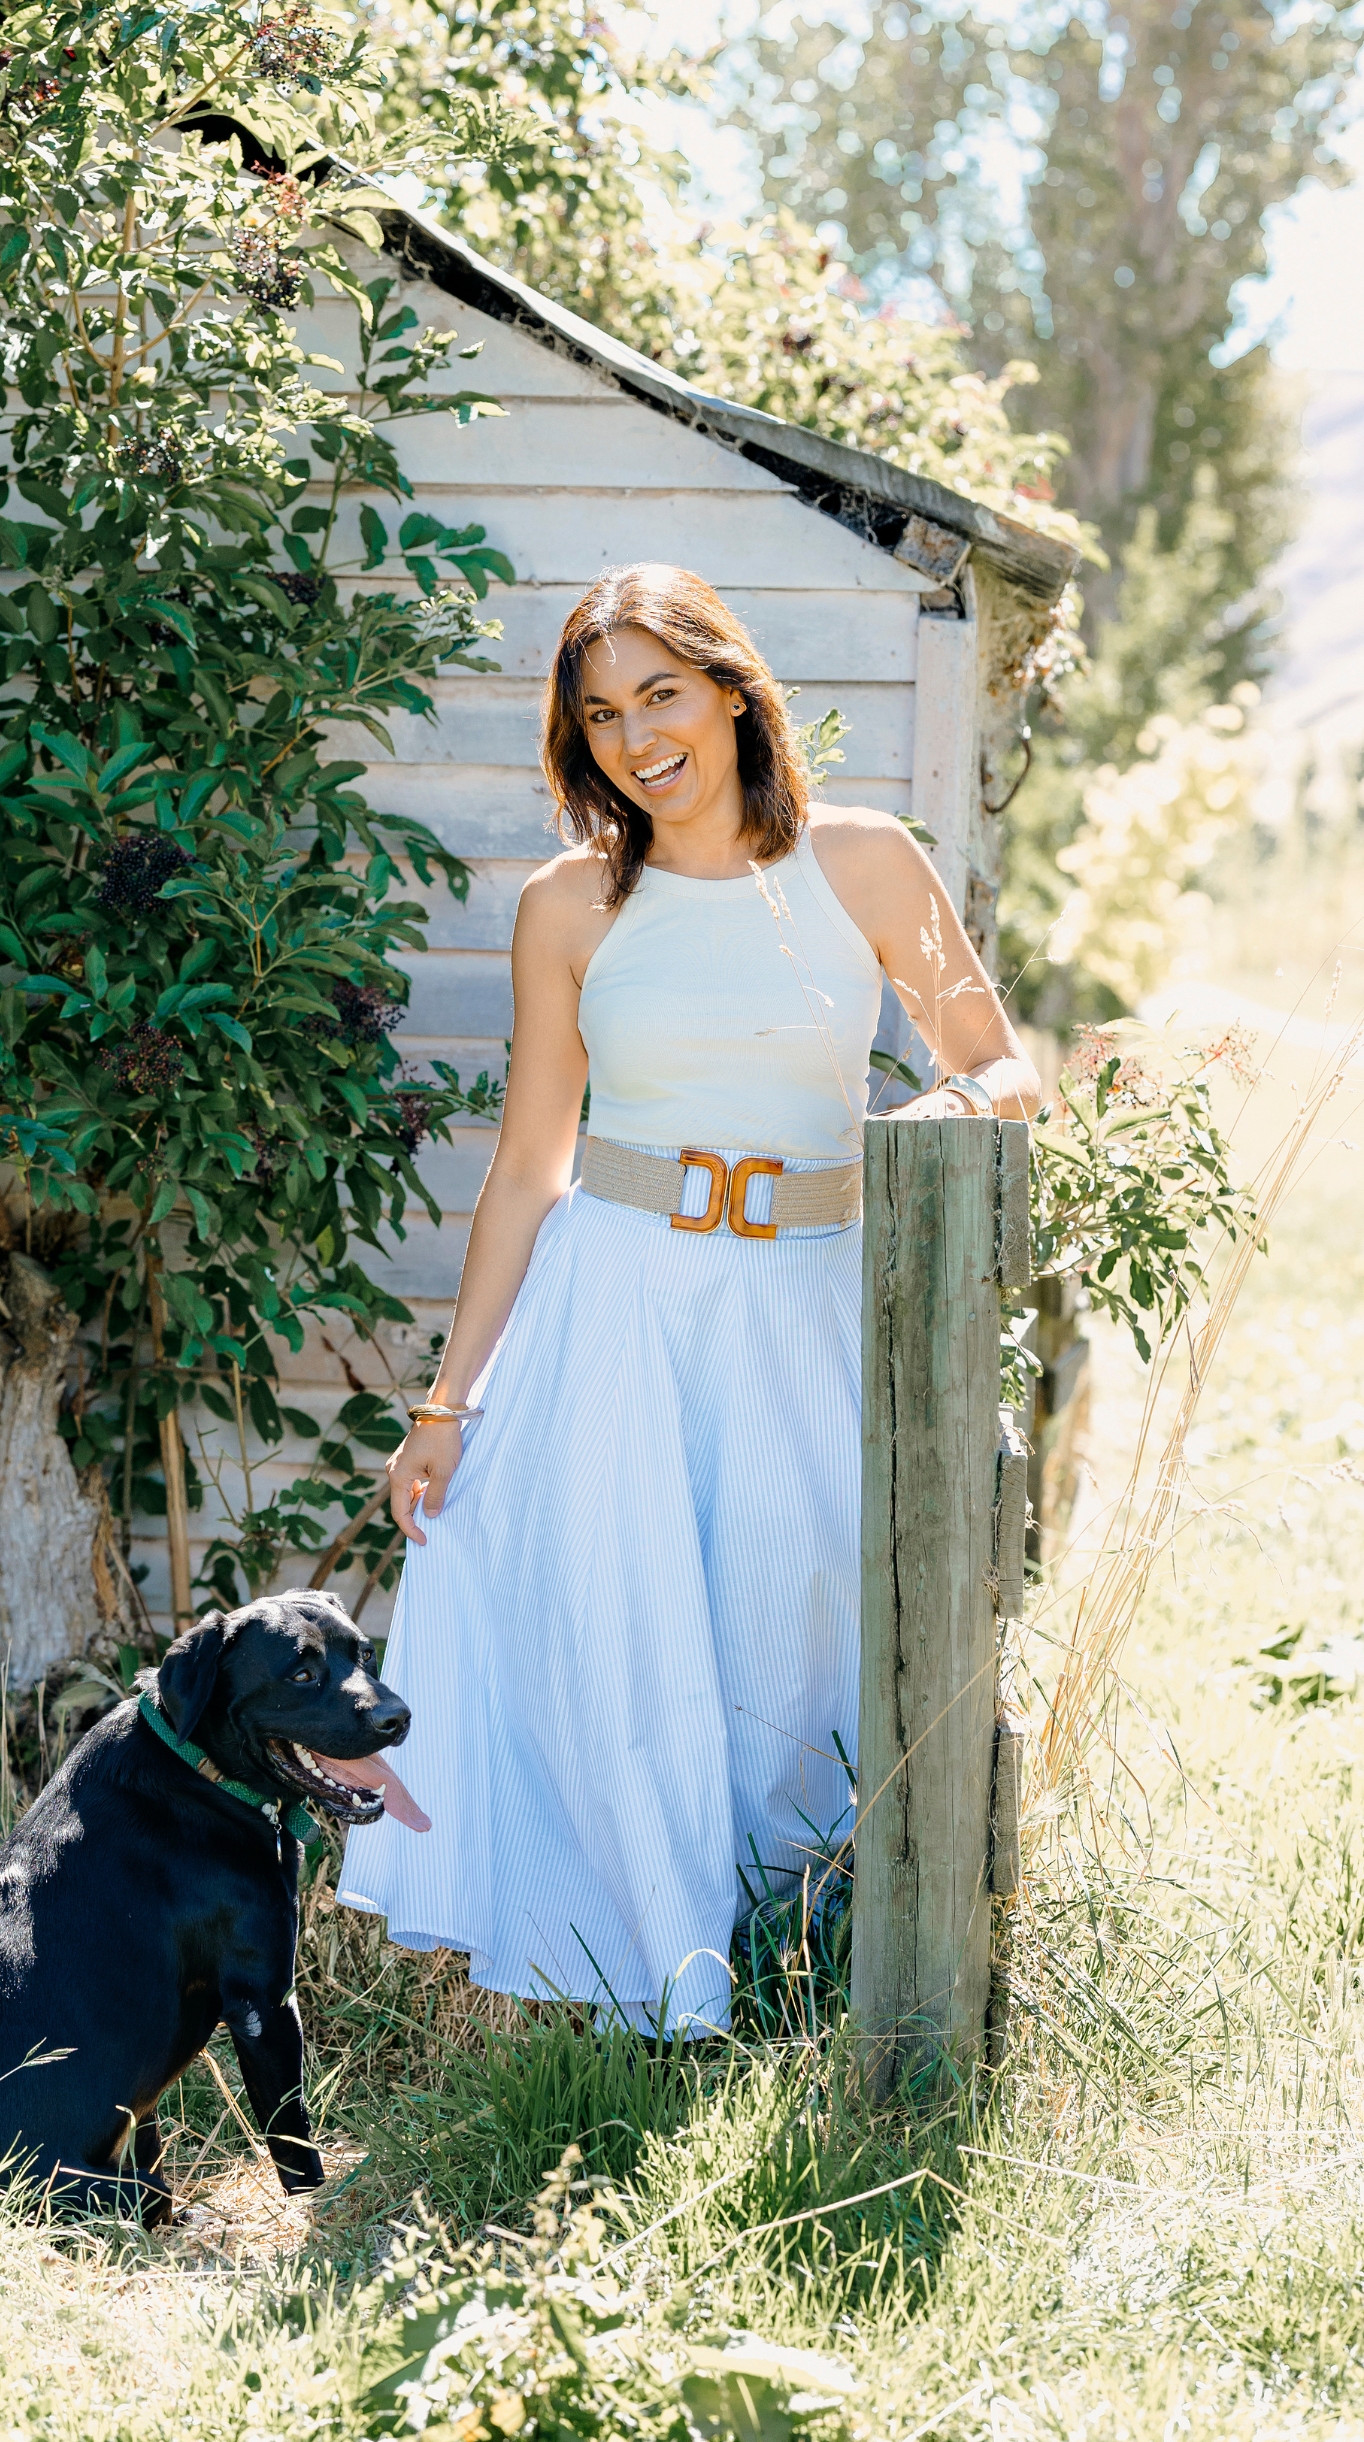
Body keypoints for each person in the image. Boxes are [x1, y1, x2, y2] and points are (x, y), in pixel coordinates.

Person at [335, 563, 1040, 2033]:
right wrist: (446, 1404)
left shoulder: (865, 861)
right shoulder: (569, 906)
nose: (637, 736)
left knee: (797, 1630)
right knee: (630, 1631)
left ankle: (803, 1954)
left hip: (814, 1295)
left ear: (733, 688)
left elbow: (1002, 1062)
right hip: (621, 1305)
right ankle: (668, 1979)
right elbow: (529, 1166)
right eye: (601, 715)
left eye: (663, 693)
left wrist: (940, 1115)